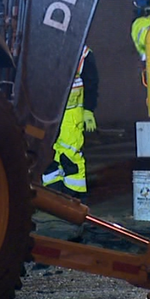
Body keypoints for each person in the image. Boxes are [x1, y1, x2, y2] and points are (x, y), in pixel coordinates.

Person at [42, 45, 100, 200]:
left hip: (69, 114)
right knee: (49, 156)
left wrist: (88, 109)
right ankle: (55, 196)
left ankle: (75, 197)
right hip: (47, 114)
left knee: (70, 156)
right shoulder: (40, 46)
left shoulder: (81, 51)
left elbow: (91, 81)